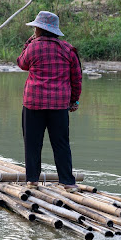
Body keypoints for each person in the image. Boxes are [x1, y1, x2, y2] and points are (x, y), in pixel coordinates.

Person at [17, 11, 82, 192]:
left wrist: (29, 42)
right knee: (61, 143)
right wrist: (74, 101)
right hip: (59, 105)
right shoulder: (68, 49)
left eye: (35, 28)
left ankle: (32, 180)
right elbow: (76, 78)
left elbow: (22, 64)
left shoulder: (33, 47)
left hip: (33, 103)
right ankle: (68, 182)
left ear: (39, 29)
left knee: (32, 142)